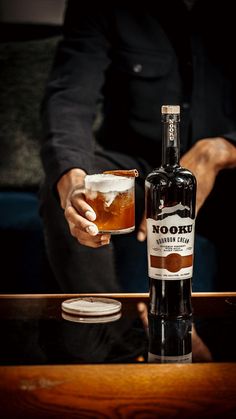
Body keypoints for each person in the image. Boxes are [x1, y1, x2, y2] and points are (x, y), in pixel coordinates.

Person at [40, 0, 236, 293]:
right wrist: (73, 180)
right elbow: (70, 97)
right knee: (75, 190)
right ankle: (109, 333)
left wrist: (219, 152)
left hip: (227, 176)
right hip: (138, 174)